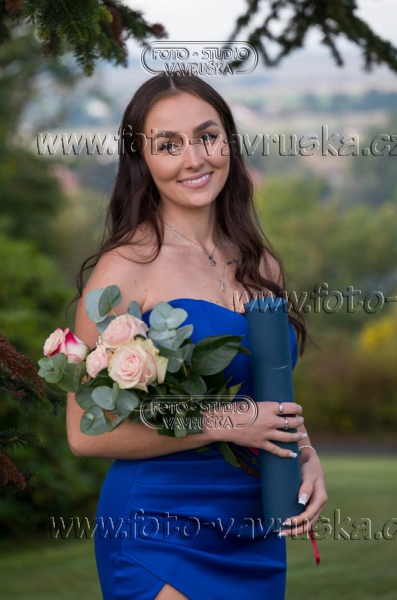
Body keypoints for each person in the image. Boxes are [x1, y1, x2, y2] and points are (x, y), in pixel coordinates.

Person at [66, 74, 327, 600]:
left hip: (253, 530)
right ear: (142, 160)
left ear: (228, 140)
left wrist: (303, 451)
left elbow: (265, 395)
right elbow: (85, 435)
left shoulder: (260, 265)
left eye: (207, 136)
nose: (194, 159)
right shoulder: (126, 268)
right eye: (168, 144)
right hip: (158, 530)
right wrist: (227, 422)